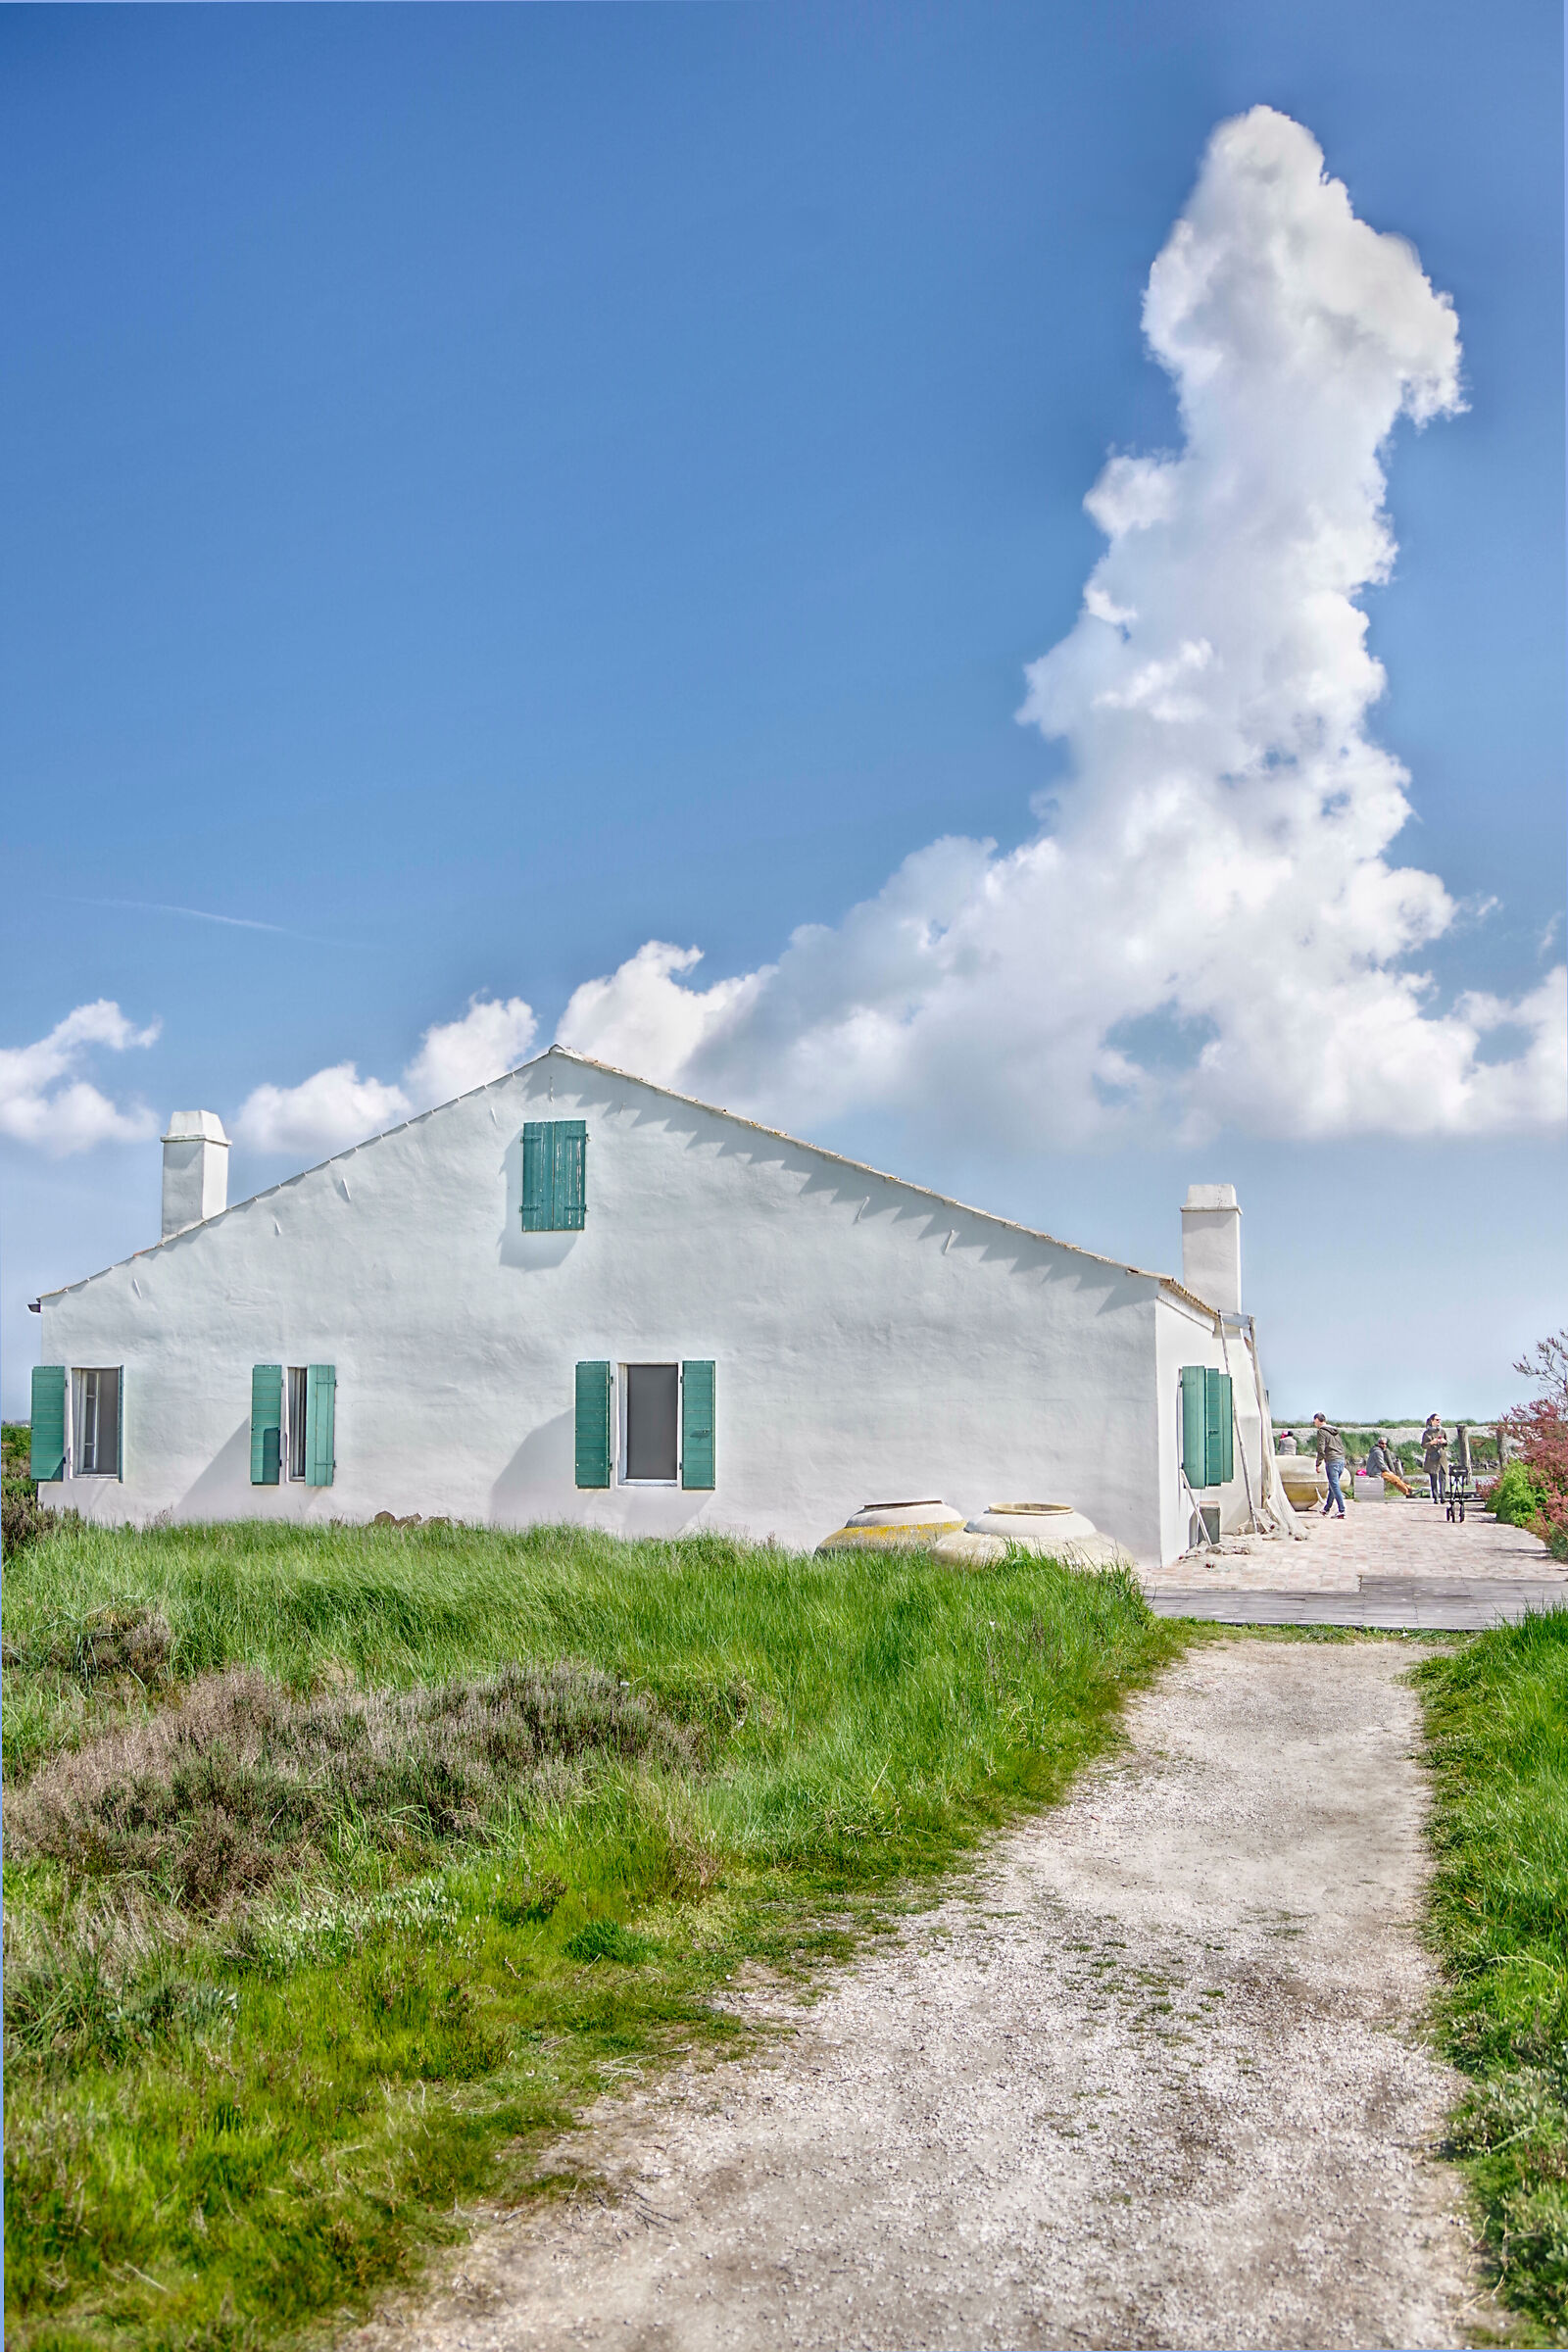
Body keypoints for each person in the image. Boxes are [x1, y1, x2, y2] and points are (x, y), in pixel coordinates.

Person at [1312, 1413, 1347, 1517]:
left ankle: (1342, 1509)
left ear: (1318, 1420)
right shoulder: (1335, 1431)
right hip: (1341, 1460)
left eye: (1314, 1421)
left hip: (1332, 1461)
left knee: (1334, 1486)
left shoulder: (1322, 1431)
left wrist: (1318, 1463)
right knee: (1333, 1485)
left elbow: (1321, 1449)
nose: (1314, 1423)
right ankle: (1326, 1509)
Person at [1421, 1414, 1448, 1504]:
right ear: (1432, 1421)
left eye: (1439, 1420)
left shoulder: (1442, 1431)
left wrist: (1444, 1442)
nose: (1438, 1422)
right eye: (1437, 1420)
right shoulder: (1427, 1433)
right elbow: (1423, 1445)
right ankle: (1436, 1497)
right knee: (1434, 1478)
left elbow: (1446, 1443)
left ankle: (1443, 1496)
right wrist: (1432, 1443)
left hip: (1442, 1457)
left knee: (1443, 1477)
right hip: (1432, 1457)